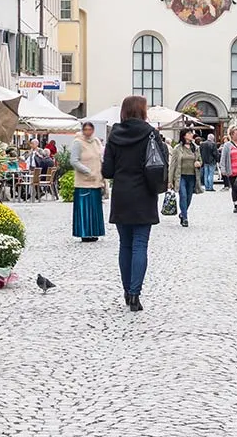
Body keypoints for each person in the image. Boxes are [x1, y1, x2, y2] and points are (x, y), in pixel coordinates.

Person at [101, 95, 167, 312]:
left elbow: (107, 171)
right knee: (140, 245)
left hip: (122, 194)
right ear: (142, 111)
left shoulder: (114, 135)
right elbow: (160, 163)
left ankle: (126, 290)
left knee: (125, 245)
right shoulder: (150, 133)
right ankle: (135, 294)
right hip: (144, 194)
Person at [69, 123, 107, 243]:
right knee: (84, 207)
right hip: (83, 181)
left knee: (95, 207)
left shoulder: (96, 142)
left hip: (96, 180)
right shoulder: (78, 143)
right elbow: (74, 161)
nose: (88, 132)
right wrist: (87, 171)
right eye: (85, 129)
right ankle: (85, 232)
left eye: (90, 129)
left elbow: (101, 157)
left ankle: (94, 231)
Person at [167, 129, 202, 227]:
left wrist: (199, 163)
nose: (191, 135)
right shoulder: (177, 148)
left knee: (189, 198)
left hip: (192, 176)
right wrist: (170, 180)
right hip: (180, 176)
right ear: (184, 135)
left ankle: (182, 213)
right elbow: (172, 165)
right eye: (189, 133)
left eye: (191, 133)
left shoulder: (195, 148)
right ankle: (185, 218)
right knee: (183, 196)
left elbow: (200, 160)